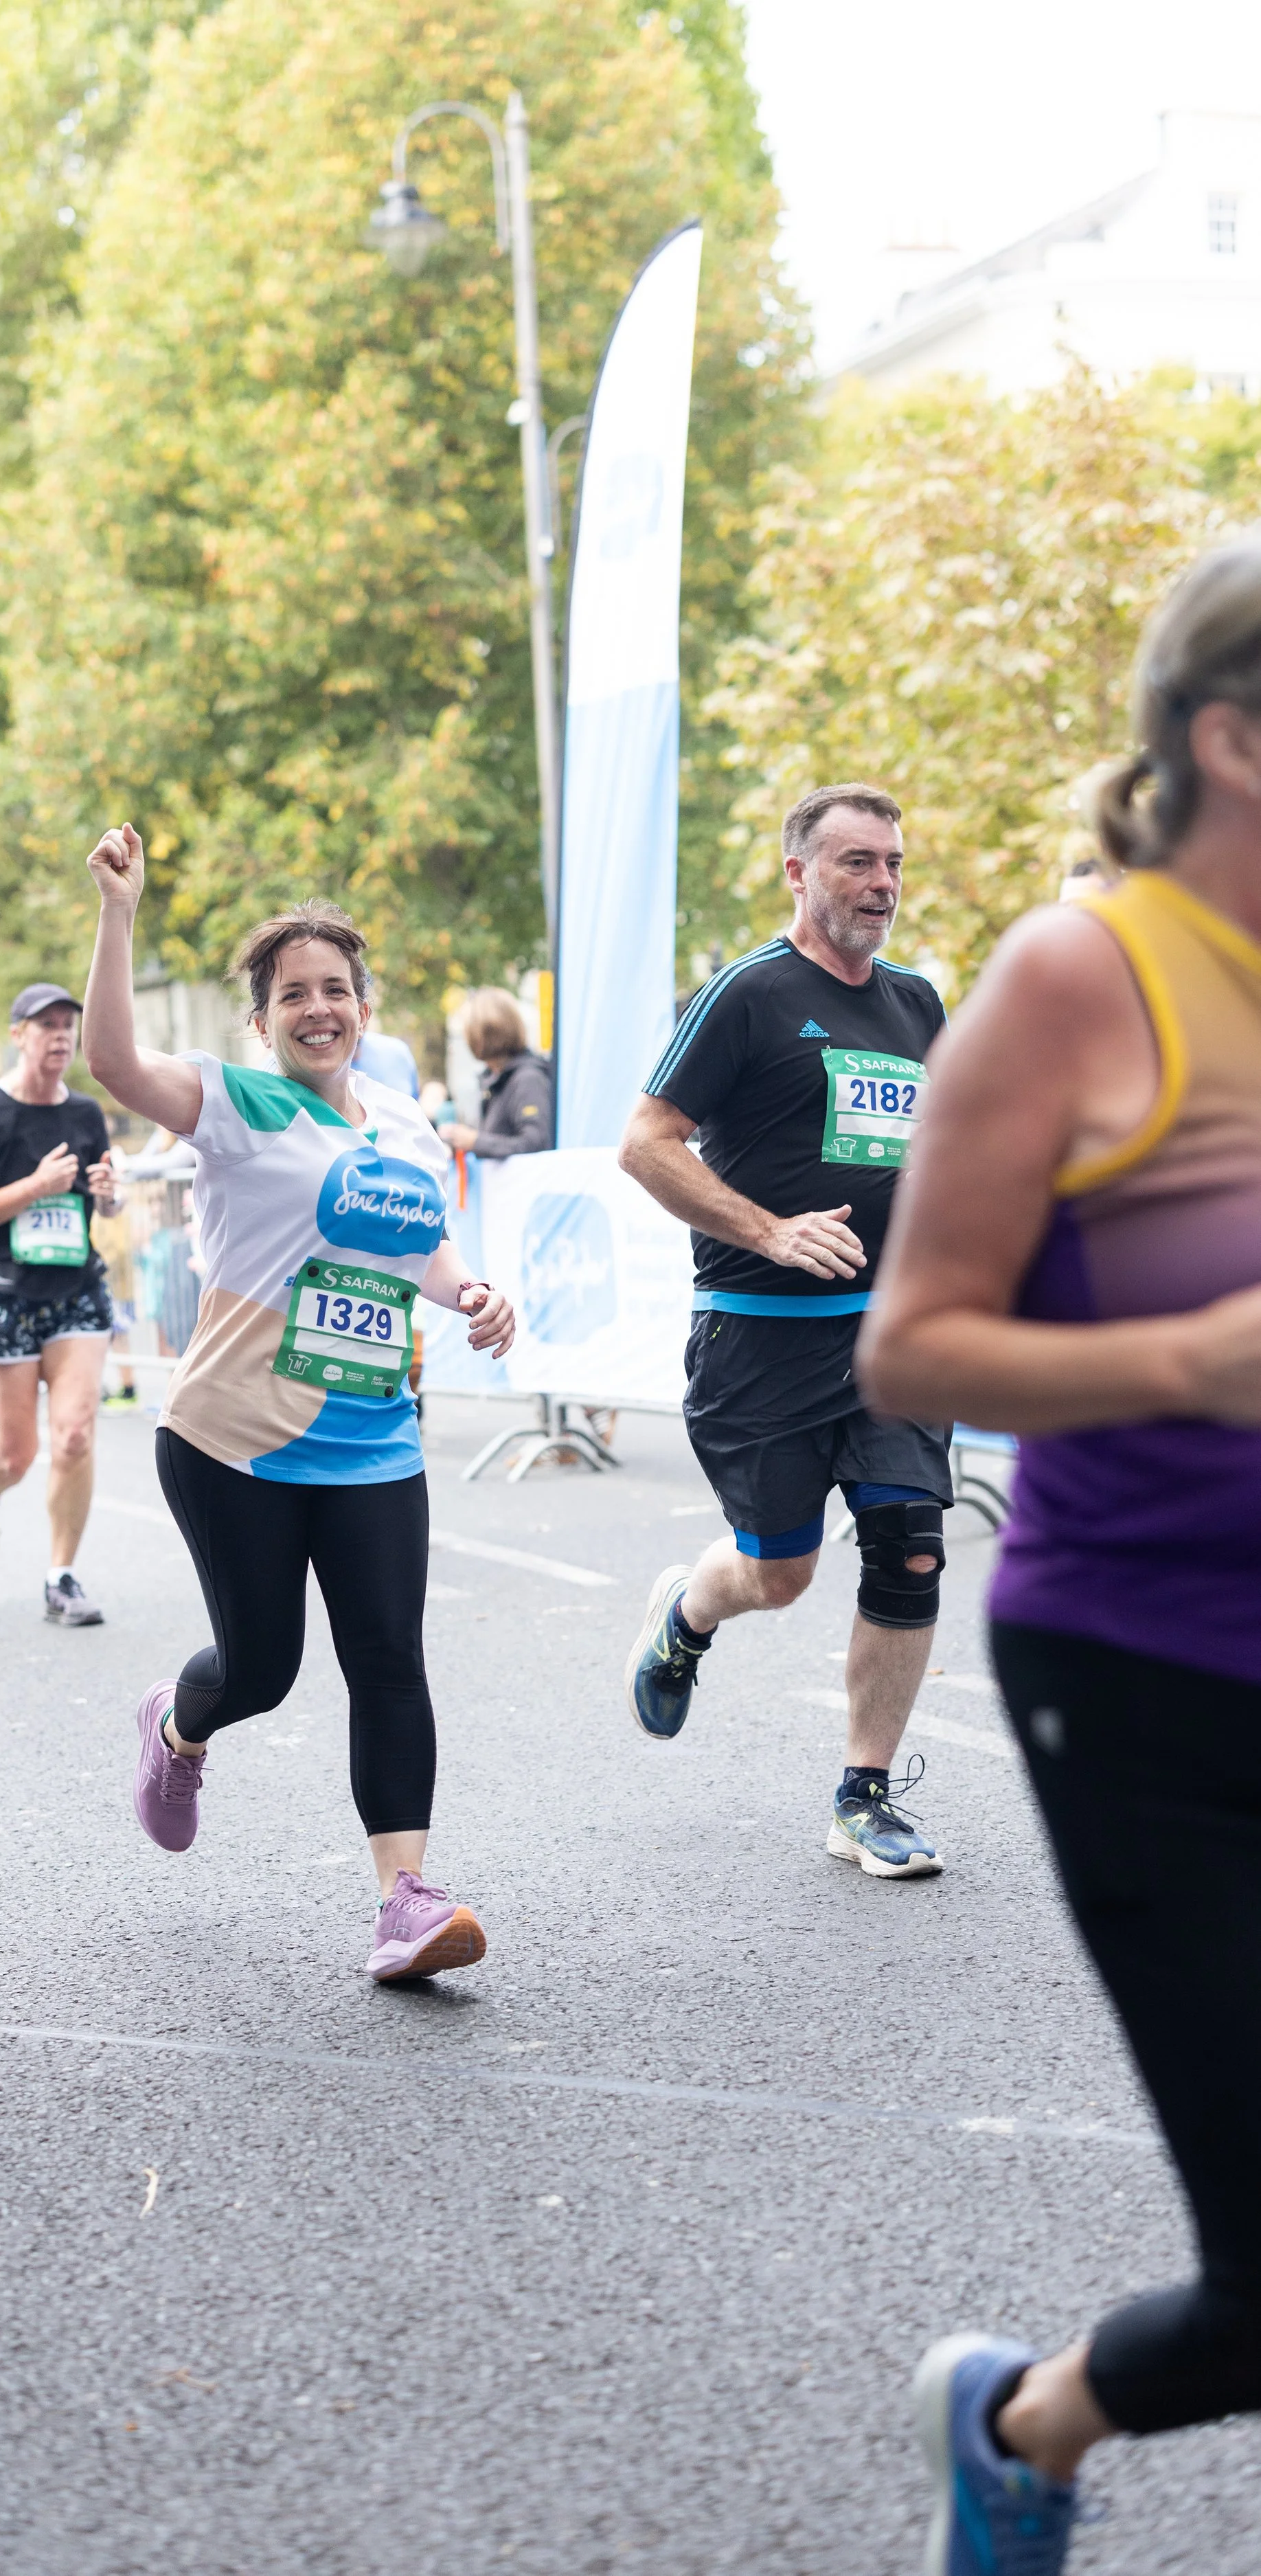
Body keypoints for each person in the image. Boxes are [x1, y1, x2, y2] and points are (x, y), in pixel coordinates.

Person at [860, 534, 1261, 2571]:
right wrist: (1191, 1351)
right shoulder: (1072, 975)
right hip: (1143, 1672)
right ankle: (1021, 2420)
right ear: (1227, 738)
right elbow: (909, 1337)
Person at [80, 832, 516, 1980]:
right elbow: (115, 1063)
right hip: (234, 1441)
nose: (318, 1008)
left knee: (388, 1660)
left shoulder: (406, 1124)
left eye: (336, 989)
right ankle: (177, 1724)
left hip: (373, 1441)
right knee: (263, 1669)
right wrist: (119, 914)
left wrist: (468, 1291)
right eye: (294, 995)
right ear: (262, 1021)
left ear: (363, 1006)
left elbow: (418, 1248)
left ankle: (404, 1903)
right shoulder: (236, 1103)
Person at [615, 784, 951, 1877]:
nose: (883, 884)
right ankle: (690, 1611)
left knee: (910, 1543)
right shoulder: (749, 996)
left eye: (893, 863)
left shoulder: (917, 1006)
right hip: (760, 1340)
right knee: (781, 1573)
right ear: (798, 873)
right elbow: (648, 1144)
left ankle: (864, 1794)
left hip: (890, 1338)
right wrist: (769, 1231)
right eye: (857, 861)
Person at [0, 984, 118, 1625]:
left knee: (74, 1434)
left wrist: (107, 1194)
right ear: (17, 1034)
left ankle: (61, 1578)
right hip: (4, 1291)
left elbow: (105, 1203)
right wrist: (35, 1187)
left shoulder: (86, 1114)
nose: (61, 1037)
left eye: (68, 1026)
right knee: (14, 1456)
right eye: (46, 1025)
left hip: (74, 1289)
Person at [440, 988, 553, 1157]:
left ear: (484, 1033)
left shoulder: (528, 1079)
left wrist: (476, 1142)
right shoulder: (495, 1080)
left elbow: (535, 1143)